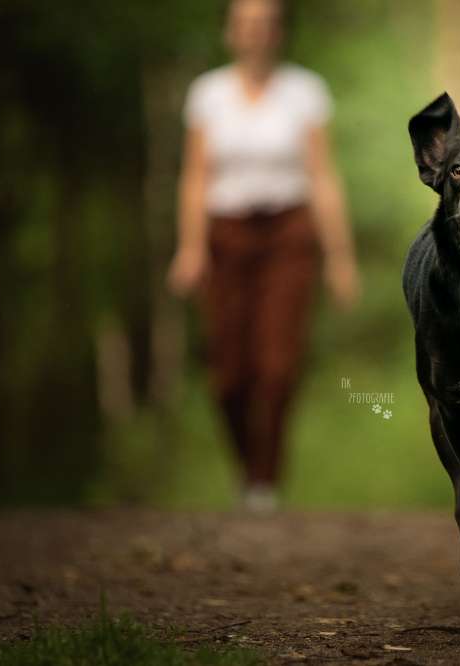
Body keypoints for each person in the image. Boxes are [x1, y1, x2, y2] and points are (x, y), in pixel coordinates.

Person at [167, 0, 360, 511]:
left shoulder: (305, 92)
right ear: (230, 33)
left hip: (288, 237)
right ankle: (248, 468)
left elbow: (323, 177)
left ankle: (264, 483)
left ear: (278, 33)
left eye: (265, 24)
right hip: (225, 238)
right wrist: (189, 248)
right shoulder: (207, 94)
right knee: (228, 375)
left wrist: (340, 258)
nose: (255, 33)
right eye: (245, 24)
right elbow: (194, 177)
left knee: (277, 366)